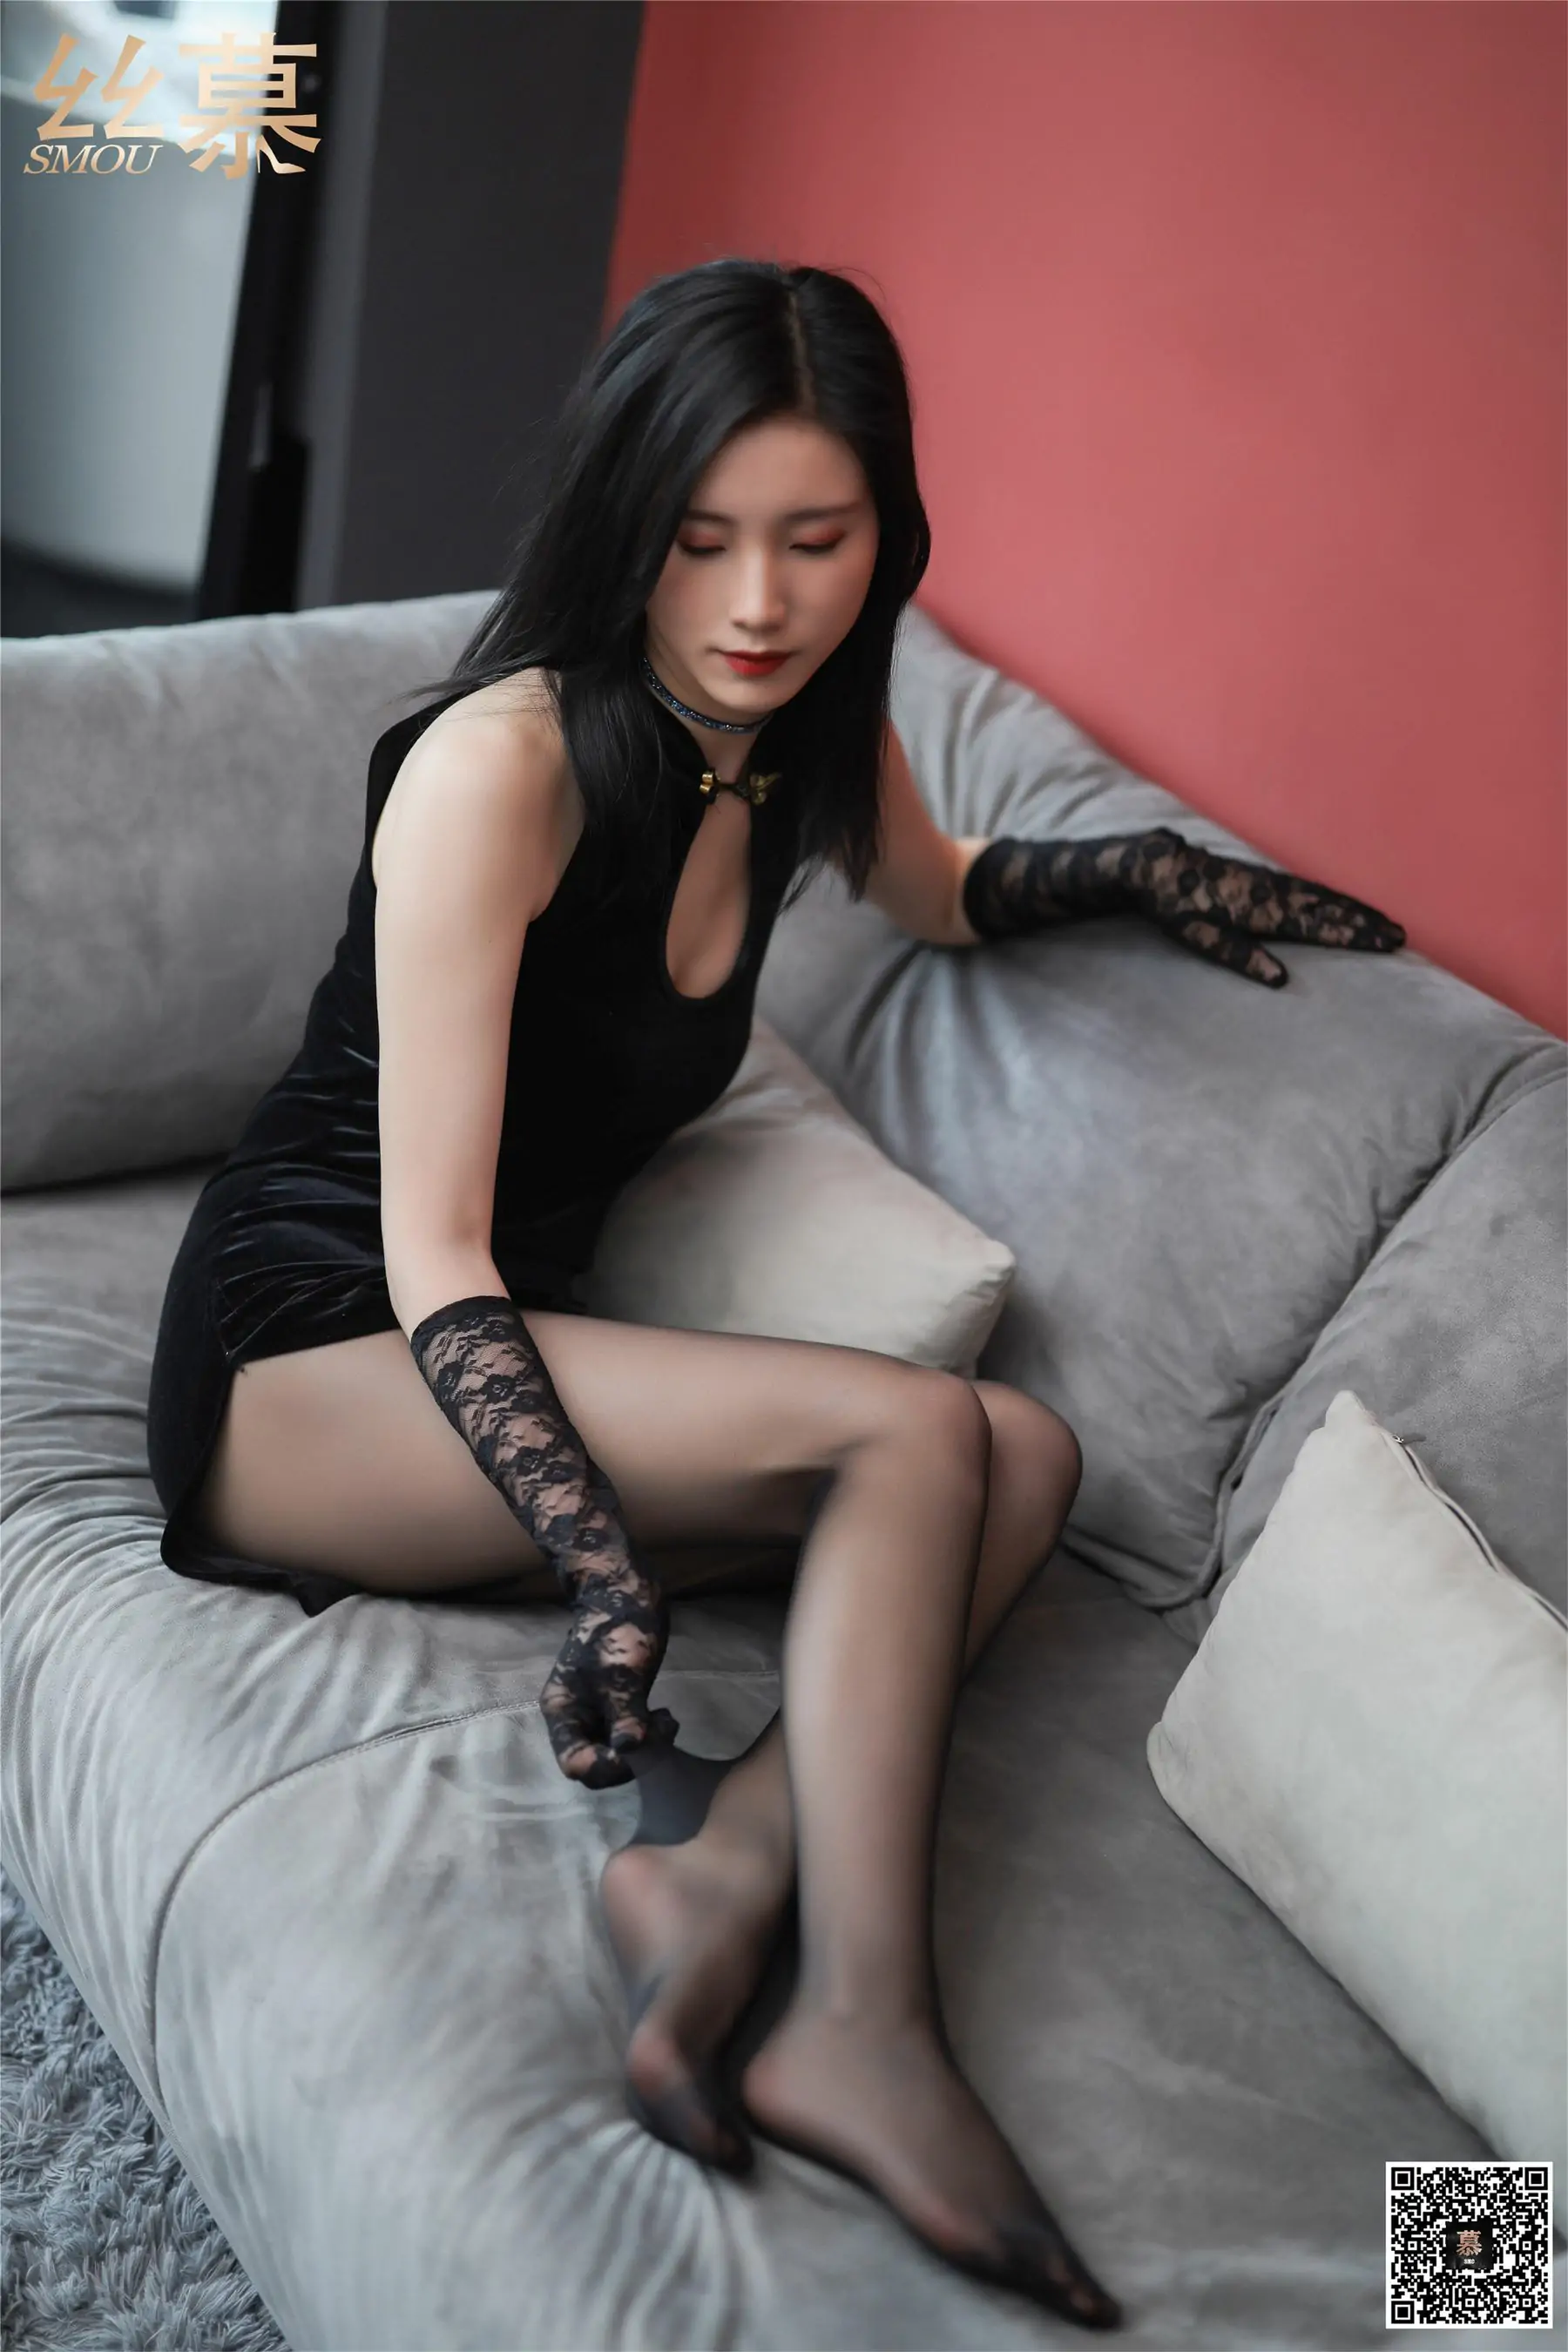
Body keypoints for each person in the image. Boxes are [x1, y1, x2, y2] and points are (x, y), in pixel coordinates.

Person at [145, 258, 1405, 2333]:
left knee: (1021, 1451)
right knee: (915, 1435)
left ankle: (722, 1872)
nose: (757, 602)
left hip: (495, 1342)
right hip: (322, 1352)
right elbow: (437, 1248)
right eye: (702, 538)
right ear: (621, 519)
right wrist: (601, 1567)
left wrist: (1152, 874)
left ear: (882, 536)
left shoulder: (799, 729)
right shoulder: (507, 762)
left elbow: (939, 890)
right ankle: (862, 2026)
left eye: (816, 541)